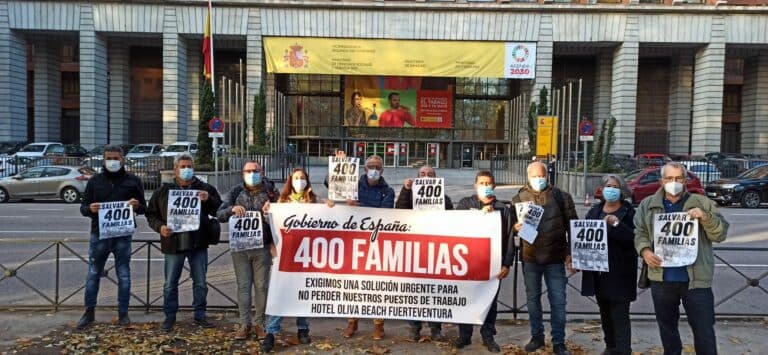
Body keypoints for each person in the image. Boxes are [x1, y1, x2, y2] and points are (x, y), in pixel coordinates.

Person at [634, 162, 728, 355]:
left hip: (696, 280)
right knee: (667, 329)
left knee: (704, 330)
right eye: (669, 178)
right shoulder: (648, 204)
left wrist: (705, 217)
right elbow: (640, 232)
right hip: (662, 278)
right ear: (661, 180)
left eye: (678, 178)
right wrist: (644, 251)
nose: (673, 182)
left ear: (685, 180)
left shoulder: (702, 202)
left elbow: (720, 234)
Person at [146, 153, 222, 332]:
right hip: (173, 243)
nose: (186, 170)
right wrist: (160, 227)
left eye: (189, 166)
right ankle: (170, 317)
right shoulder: (163, 191)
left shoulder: (204, 188)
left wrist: (208, 199)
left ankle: (200, 315)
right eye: (183, 167)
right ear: (175, 169)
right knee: (170, 283)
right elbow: (151, 214)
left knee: (201, 282)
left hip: (198, 242)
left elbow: (220, 208)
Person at [77, 145, 147, 329]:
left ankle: (123, 313)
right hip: (99, 234)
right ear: (103, 159)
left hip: (122, 236)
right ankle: (89, 312)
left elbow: (144, 208)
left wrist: (136, 205)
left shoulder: (133, 181)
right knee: (93, 274)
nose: (112, 161)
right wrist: (90, 209)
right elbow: (83, 207)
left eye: (116, 158)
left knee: (124, 274)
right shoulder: (95, 181)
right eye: (109, 158)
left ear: (122, 159)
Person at [512, 161, 577, 355]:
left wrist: (571, 253)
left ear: (547, 176)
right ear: (528, 177)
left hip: (555, 258)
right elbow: (512, 228)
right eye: (535, 176)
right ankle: (537, 337)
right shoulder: (518, 198)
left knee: (558, 301)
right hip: (530, 257)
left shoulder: (561, 197)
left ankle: (559, 342)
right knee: (533, 300)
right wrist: (515, 229)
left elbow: (573, 226)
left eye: (542, 175)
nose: (539, 179)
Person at [217, 161, 279, 342]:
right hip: (241, 249)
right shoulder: (236, 192)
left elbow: (283, 217)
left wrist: (270, 214)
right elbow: (219, 214)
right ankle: (245, 324)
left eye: (256, 171)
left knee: (261, 287)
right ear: (242, 173)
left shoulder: (271, 192)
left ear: (262, 172)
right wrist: (231, 209)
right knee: (243, 287)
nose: (252, 174)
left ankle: (260, 323)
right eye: (248, 171)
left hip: (263, 248)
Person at [452, 170, 514, 353]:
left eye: (488, 184)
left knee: (490, 300)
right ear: (475, 185)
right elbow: (456, 226)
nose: (485, 187)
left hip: (493, 264)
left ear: (494, 186)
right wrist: (480, 215)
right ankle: (464, 335)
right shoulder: (465, 204)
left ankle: (488, 336)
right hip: (467, 261)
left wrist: (507, 264)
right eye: (482, 183)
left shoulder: (503, 208)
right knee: (466, 298)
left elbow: (509, 238)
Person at [579, 174, 637, 355]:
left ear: (622, 191)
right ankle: (610, 347)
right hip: (598, 274)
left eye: (615, 186)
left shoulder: (630, 212)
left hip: (620, 273)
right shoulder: (594, 211)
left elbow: (634, 240)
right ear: (602, 190)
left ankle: (623, 350)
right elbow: (582, 237)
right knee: (605, 315)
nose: (611, 189)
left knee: (620, 315)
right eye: (608, 186)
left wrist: (616, 224)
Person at [260, 168, 317, 352]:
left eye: (302, 178)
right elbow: (272, 225)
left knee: (304, 292)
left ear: (307, 181)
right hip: (285, 253)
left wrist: (331, 205)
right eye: (296, 178)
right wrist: (267, 213)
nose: (299, 181)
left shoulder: (314, 201)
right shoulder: (281, 201)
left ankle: (303, 329)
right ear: (290, 181)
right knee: (280, 292)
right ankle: (271, 332)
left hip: (307, 255)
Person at [394, 165, 453, 341]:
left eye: (430, 174)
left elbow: (453, 220)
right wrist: (406, 190)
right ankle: (414, 327)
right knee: (414, 292)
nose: (426, 176)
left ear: (436, 178)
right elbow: (399, 212)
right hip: (414, 250)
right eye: (422, 174)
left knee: (435, 292)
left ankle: (435, 328)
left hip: (435, 250)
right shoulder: (409, 194)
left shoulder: (444, 198)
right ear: (416, 177)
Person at [343, 154, 394, 340]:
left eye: (377, 167)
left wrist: (359, 206)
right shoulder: (352, 187)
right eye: (370, 165)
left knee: (378, 285)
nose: (374, 169)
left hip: (377, 243)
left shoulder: (388, 191)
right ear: (364, 169)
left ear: (382, 170)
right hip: (355, 242)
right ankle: (352, 321)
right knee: (354, 284)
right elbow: (330, 185)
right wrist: (342, 163)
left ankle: (379, 324)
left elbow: (384, 213)